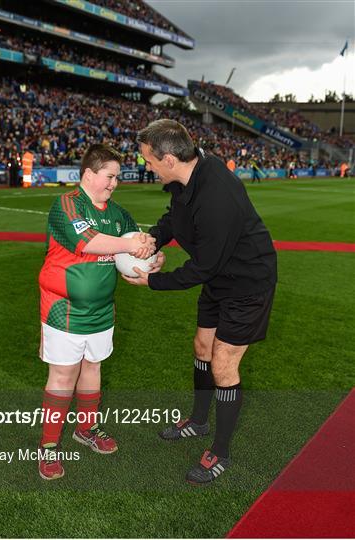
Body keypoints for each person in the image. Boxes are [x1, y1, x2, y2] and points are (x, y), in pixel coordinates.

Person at [122, 120, 277, 486]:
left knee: (224, 363)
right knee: (202, 346)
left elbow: (203, 266)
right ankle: (197, 420)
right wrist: (154, 241)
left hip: (248, 283)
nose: (147, 166)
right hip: (219, 279)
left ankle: (219, 452)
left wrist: (153, 281)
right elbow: (174, 220)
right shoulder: (187, 177)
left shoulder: (216, 195)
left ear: (170, 158)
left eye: (148, 159)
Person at [37, 143, 156, 480]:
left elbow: (131, 255)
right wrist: (129, 244)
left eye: (117, 177)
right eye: (109, 176)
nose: (114, 183)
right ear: (88, 174)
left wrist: (150, 259)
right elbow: (87, 242)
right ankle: (48, 446)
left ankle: (85, 429)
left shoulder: (118, 214)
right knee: (63, 376)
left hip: (103, 310)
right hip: (64, 309)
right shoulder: (66, 205)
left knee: (93, 369)